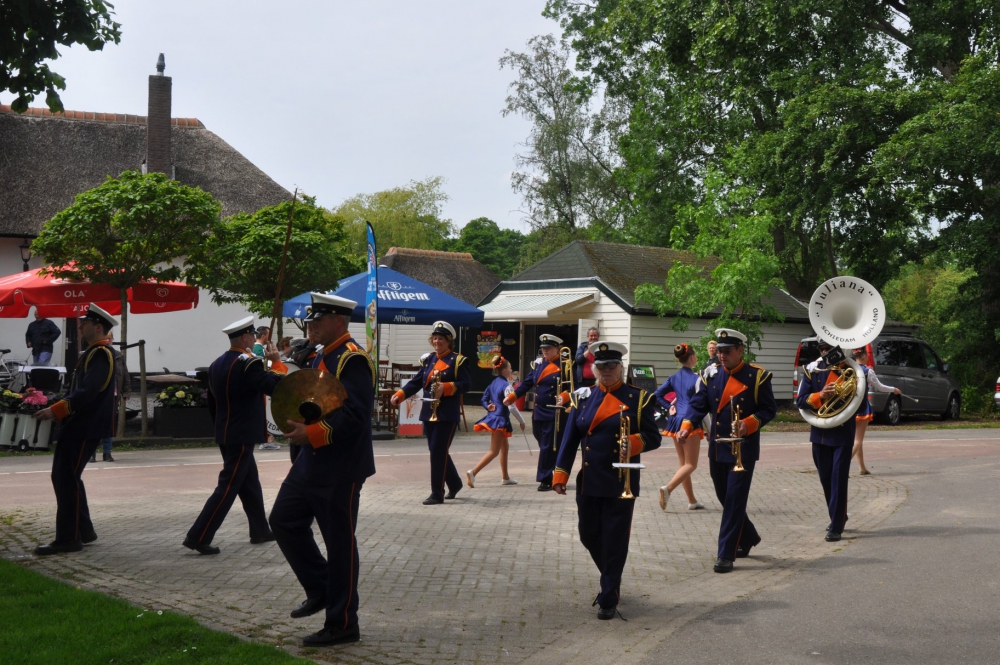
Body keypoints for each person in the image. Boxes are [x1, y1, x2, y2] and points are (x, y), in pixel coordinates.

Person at [268, 292, 376, 647]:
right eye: (310, 321)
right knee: (283, 519)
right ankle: (321, 588)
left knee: (340, 544)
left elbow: (356, 415)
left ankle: (343, 623)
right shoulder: (319, 355)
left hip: (339, 466)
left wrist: (310, 433)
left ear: (339, 322)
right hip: (309, 462)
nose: (311, 326)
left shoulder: (352, 360)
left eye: (318, 320)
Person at [552, 341, 661, 619]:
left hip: (620, 481)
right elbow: (569, 439)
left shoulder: (639, 399)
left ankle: (609, 595)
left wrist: (635, 442)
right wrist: (560, 473)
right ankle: (611, 579)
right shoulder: (583, 398)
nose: (607, 371)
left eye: (612, 366)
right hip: (589, 480)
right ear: (594, 369)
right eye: (601, 367)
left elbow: (654, 436)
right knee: (588, 535)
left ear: (621, 368)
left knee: (614, 540)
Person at [182, 316, 287, 556]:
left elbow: (213, 403)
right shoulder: (248, 363)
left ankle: (260, 529)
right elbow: (273, 386)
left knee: (249, 483)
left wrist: (220, 427)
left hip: (227, 431)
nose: (254, 339)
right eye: (252, 335)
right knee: (228, 486)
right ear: (244, 337)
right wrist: (276, 363)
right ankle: (199, 534)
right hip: (241, 433)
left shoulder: (217, 363)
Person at [678, 328, 776, 573]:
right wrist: (687, 425)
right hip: (719, 446)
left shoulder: (757, 376)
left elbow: (768, 409)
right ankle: (749, 536)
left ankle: (725, 554)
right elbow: (698, 404)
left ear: (740, 350)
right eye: (719, 351)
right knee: (724, 496)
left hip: (743, 448)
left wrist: (748, 423)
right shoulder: (711, 375)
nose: (721, 356)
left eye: (727, 351)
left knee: (734, 500)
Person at [30, 304, 118, 555]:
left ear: (97, 327)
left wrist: (57, 410)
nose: (80, 326)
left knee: (65, 478)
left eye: (84, 323)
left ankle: (69, 538)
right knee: (68, 477)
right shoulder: (92, 353)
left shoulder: (101, 353)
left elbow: (88, 391)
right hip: (80, 424)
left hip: (84, 425)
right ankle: (84, 530)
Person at [391, 321, 472, 505]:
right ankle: (455, 483)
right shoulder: (428, 360)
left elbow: (467, 385)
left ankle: (437, 493)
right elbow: (417, 381)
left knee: (437, 450)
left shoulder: (458, 361)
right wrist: (400, 394)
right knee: (437, 450)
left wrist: (447, 387)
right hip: (428, 411)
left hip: (446, 413)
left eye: (441, 339)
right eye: (435, 338)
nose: (437, 341)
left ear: (448, 341)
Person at [796, 341, 857, 542]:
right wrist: (821, 395)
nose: (826, 353)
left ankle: (836, 525)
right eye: (823, 350)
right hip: (820, 432)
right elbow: (801, 400)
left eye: (830, 349)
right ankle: (838, 515)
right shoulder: (812, 370)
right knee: (826, 478)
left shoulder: (851, 370)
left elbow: (860, 400)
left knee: (839, 478)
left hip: (842, 432)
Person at [504, 334, 571, 491]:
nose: (545, 351)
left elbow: (572, 386)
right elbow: (527, 383)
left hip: (554, 410)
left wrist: (564, 397)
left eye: (549, 348)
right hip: (539, 409)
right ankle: (552, 466)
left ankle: (545, 479)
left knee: (547, 446)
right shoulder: (538, 364)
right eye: (543, 348)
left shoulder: (565, 365)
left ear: (557, 349)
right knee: (542, 441)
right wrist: (513, 396)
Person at [655, 343, 704, 511]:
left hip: (675, 420)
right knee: (691, 464)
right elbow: (701, 406)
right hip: (689, 420)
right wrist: (710, 429)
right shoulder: (698, 379)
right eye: (695, 355)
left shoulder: (673, 378)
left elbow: (657, 395)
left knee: (683, 463)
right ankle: (668, 488)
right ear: (691, 357)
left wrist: (669, 406)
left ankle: (691, 500)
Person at [468, 355, 525, 487]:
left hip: (495, 418)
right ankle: (473, 472)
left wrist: (487, 406)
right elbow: (512, 407)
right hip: (500, 421)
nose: (511, 370)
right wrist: (522, 421)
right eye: (510, 368)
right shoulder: (507, 386)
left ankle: (505, 477)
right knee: (494, 451)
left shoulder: (493, 383)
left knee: (505, 447)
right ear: (505, 371)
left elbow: (484, 398)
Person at [851, 347, 902, 476]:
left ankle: (862, 467)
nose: (869, 357)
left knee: (857, 440)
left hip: (851, 408)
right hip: (862, 407)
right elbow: (880, 387)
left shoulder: (850, 369)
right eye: (867, 354)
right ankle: (843, 465)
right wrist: (893, 389)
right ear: (862, 356)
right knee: (858, 440)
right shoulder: (868, 371)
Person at [91, 331, 129, 463]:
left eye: (110, 339)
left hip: (112, 396)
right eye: (105, 339)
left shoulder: (118, 356)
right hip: (96, 396)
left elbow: (125, 374)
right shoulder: (94, 354)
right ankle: (92, 454)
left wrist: (126, 392)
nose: (108, 341)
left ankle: (107, 453)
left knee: (109, 426)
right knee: (94, 426)